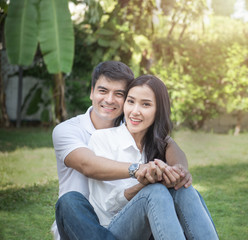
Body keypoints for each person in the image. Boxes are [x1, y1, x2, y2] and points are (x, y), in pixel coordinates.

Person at [52, 61, 194, 240]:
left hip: (123, 221)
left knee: (172, 194)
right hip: (82, 225)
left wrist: (178, 168)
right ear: (92, 92)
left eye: (119, 94)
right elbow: (87, 164)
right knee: (70, 201)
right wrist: (137, 169)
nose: (109, 100)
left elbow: (167, 142)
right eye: (103, 91)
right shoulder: (68, 130)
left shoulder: (132, 126)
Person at [88, 75, 218, 239]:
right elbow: (107, 205)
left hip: (151, 230)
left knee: (183, 189)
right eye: (131, 101)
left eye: (146, 104)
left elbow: (174, 152)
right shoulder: (102, 139)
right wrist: (144, 185)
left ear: (158, 110)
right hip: (112, 231)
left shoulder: (159, 144)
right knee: (155, 191)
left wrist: (177, 174)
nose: (135, 111)